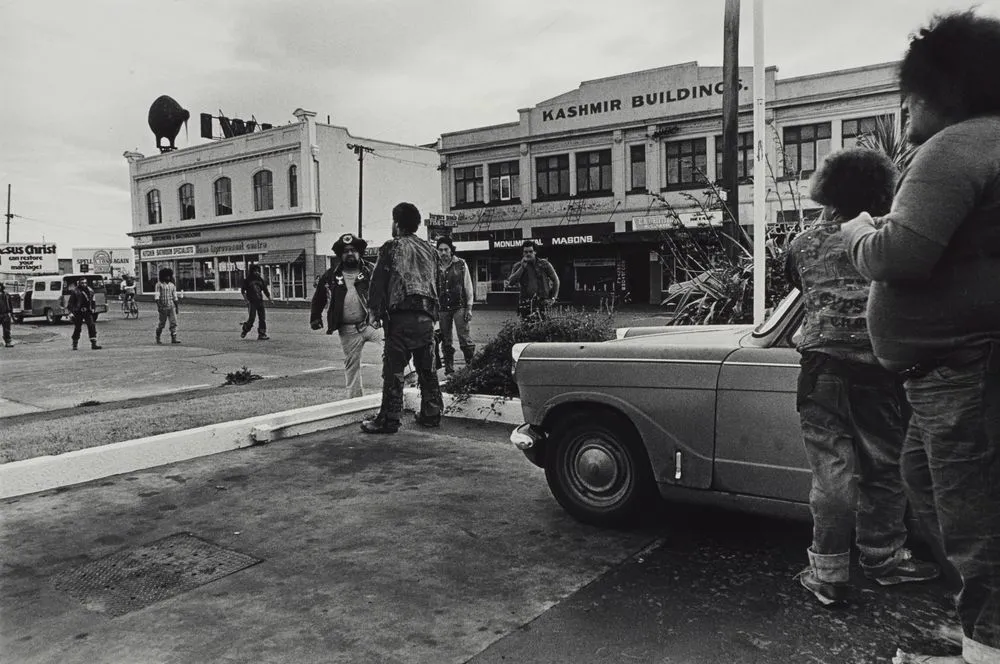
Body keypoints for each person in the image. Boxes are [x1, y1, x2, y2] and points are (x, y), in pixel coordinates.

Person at [839, 11, 1000, 664]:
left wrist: (857, 233)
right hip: (960, 368)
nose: (902, 110)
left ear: (940, 89)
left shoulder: (958, 145)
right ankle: (981, 639)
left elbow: (899, 255)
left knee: (976, 525)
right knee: (930, 488)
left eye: (909, 96)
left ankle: (985, 650)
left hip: (963, 370)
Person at [785, 147, 939, 608]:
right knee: (883, 468)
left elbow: (800, 286)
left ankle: (827, 573)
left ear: (826, 190)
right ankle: (884, 558)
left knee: (831, 473)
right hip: (879, 371)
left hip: (821, 370)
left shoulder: (802, 245)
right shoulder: (887, 238)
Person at [362, 202, 443, 434]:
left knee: (394, 370)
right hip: (426, 317)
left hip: (400, 317)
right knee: (427, 368)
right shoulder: (430, 249)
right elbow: (438, 283)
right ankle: (431, 413)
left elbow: (378, 282)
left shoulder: (392, 246)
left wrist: (374, 313)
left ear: (397, 223)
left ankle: (389, 420)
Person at [310, 233, 380, 398]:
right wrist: (315, 317)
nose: (350, 253)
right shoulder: (331, 275)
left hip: (373, 323)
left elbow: (388, 290)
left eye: (353, 250)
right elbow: (319, 297)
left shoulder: (372, 270)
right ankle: (354, 400)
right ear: (340, 254)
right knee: (351, 363)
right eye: (346, 251)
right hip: (347, 328)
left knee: (393, 347)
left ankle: (409, 381)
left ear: (360, 252)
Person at [435, 236, 475, 374]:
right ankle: (449, 370)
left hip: (460, 306)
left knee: (464, 338)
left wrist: (469, 308)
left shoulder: (461, 264)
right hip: (442, 308)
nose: (443, 253)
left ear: (451, 250)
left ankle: (470, 368)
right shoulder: (435, 266)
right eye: (440, 250)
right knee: (446, 340)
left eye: (446, 249)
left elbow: (468, 286)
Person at [507, 240, 559, 320]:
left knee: (544, 327)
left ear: (535, 252)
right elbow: (511, 282)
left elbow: (556, 280)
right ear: (523, 253)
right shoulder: (518, 266)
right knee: (527, 328)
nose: (528, 254)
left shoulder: (544, 264)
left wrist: (553, 298)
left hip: (543, 302)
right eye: (525, 252)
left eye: (530, 251)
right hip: (526, 304)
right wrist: (522, 268)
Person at [68, 277, 101, 351]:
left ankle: (94, 344)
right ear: (79, 283)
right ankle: (75, 344)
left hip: (87, 311)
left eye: (85, 283)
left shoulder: (90, 290)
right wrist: (71, 313)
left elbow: (93, 300)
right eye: (82, 283)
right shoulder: (75, 291)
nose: (84, 284)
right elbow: (71, 303)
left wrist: (93, 308)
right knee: (78, 328)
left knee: (91, 326)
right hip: (78, 312)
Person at [240, 264, 271, 341]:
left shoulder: (260, 280)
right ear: (252, 271)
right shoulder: (248, 280)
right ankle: (245, 329)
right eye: (255, 271)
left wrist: (269, 298)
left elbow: (265, 289)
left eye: (258, 271)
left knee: (262, 318)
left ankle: (262, 334)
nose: (257, 272)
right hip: (252, 302)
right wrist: (246, 300)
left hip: (260, 301)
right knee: (252, 318)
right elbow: (243, 291)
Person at [154, 267, 180, 344]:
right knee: (162, 323)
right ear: (162, 276)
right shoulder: (159, 285)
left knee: (174, 322)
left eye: (169, 276)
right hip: (163, 306)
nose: (167, 277)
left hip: (171, 306)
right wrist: (159, 306)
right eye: (166, 276)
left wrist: (177, 307)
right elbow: (157, 296)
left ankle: (174, 338)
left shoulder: (172, 285)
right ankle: (158, 337)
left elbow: (175, 297)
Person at [0, 282, 14, 348]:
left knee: (7, 329)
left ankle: (8, 342)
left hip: (5, 314)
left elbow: (10, 304)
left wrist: (11, 312)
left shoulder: (6, 294)